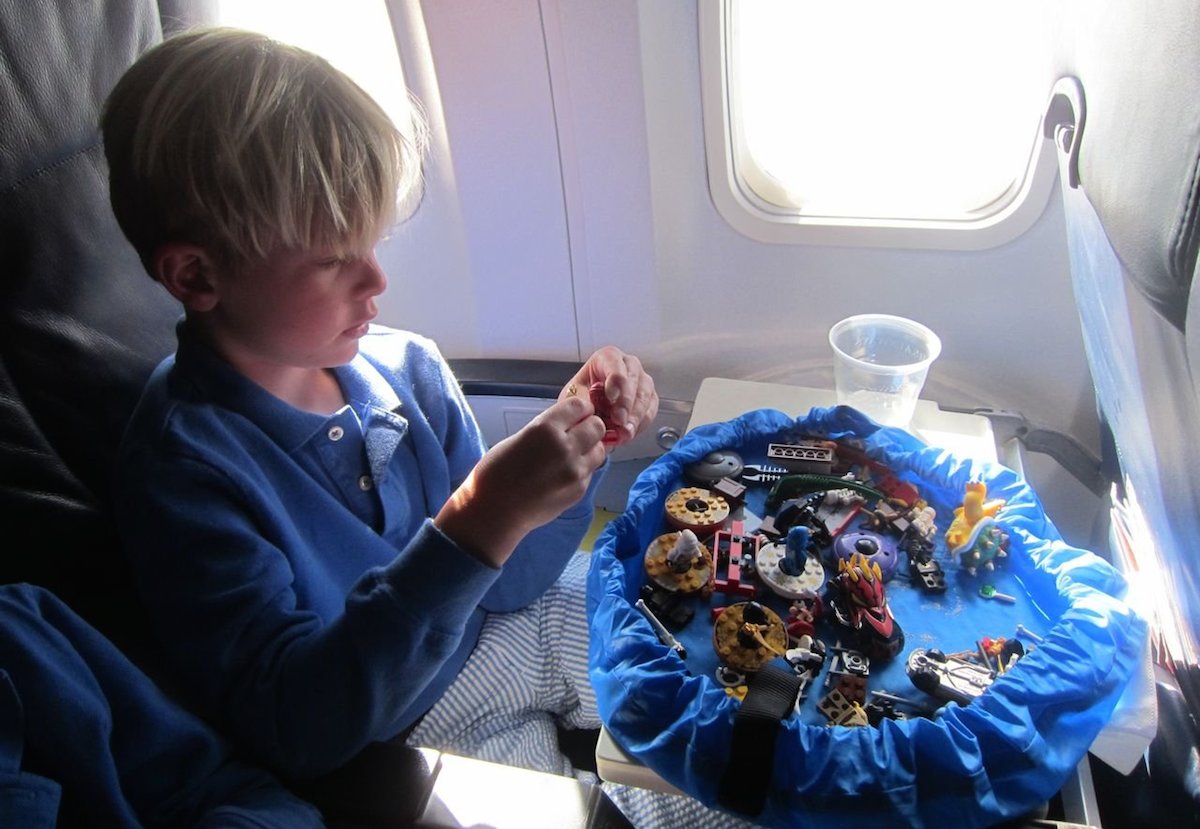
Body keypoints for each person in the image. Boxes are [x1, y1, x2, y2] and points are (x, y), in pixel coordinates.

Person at [105, 27, 763, 829]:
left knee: (732, 683)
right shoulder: (186, 472)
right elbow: (300, 724)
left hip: (515, 622)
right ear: (198, 274)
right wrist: (479, 519)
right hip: (412, 721)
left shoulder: (405, 367)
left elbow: (511, 581)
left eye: (374, 242)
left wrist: (573, 445)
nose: (379, 280)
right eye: (333, 257)